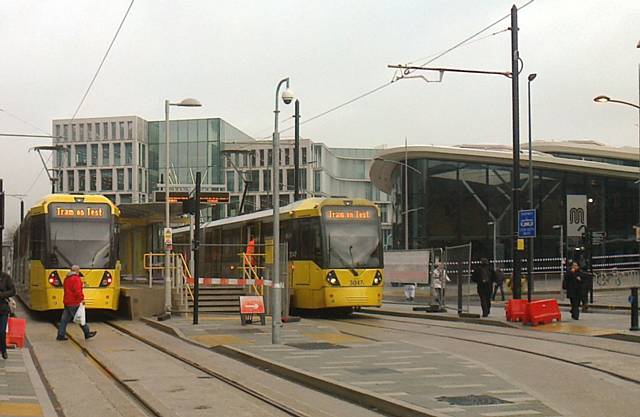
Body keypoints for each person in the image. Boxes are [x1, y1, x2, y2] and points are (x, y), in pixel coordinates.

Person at [56, 265, 96, 341]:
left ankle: (60, 335)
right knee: (80, 318)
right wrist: (81, 299)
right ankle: (87, 333)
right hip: (74, 302)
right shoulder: (76, 279)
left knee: (64, 320)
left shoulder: (66, 279)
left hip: (67, 301)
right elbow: (78, 291)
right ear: (77, 271)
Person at [0, 272, 16, 359]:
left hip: (3, 309)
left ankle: (3, 350)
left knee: (2, 331)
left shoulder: (6, 277)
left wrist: (2, 295)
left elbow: (13, 291)